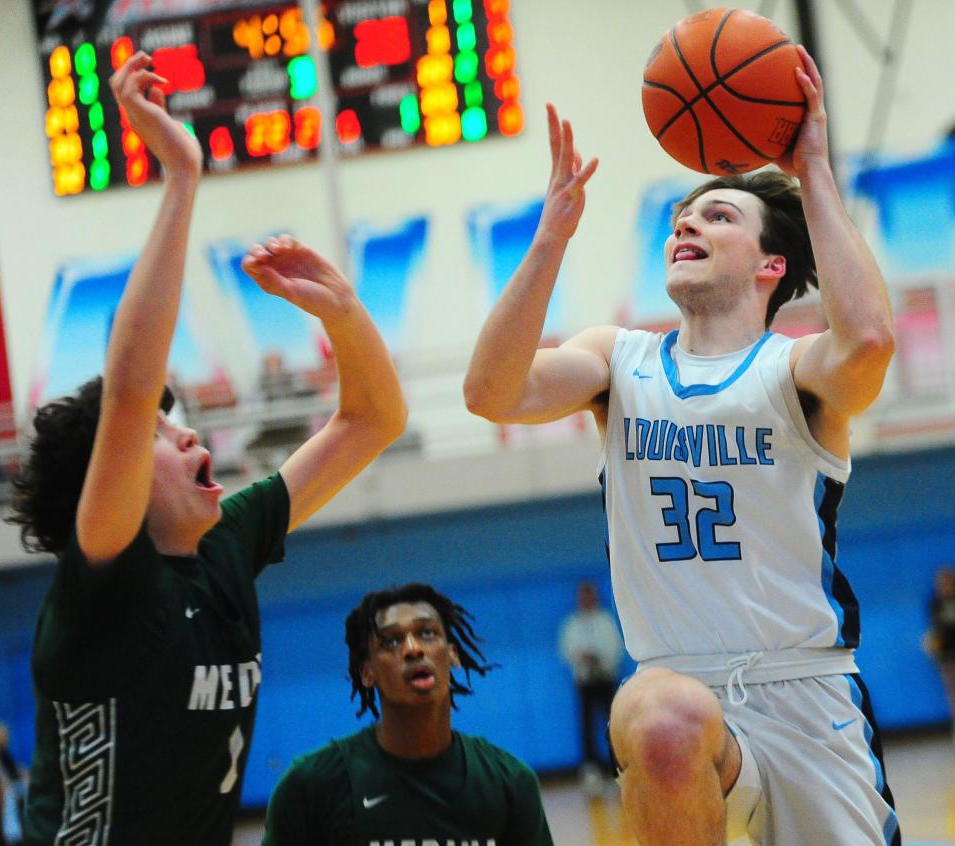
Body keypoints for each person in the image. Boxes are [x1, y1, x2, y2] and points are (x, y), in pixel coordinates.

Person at [464, 46, 900, 846]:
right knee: (657, 713)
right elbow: (491, 394)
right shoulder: (619, 360)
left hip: (804, 693)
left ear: (772, 265)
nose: (687, 223)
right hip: (677, 688)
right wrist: (550, 241)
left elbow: (869, 340)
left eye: (718, 215)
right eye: (680, 218)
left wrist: (814, 173)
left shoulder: (794, 368)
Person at [9, 52, 406, 846]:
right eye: (159, 432)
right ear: (109, 474)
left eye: (176, 419)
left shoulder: (222, 548)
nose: (186, 431)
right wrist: (182, 177)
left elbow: (372, 422)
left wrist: (346, 315)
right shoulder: (108, 586)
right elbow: (127, 388)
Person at [262, 583, 554, 845]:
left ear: (452, 654)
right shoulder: (310, 786)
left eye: (426, 633)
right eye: (390, 641)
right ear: (367, 672)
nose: (413, 649)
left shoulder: (509, 781)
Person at [558, 580, 624, 789]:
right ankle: (591, 772)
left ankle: (619, 766)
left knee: (613, 724)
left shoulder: (605, 620)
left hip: (605, 678)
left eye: (590, 595)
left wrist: (600, 658)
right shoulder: (572, 624)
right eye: (583, 595)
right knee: (586, 726)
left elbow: (616, 647)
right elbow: (567, 650)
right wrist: (582, 657)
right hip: (585, 681)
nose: (587, 599)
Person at [926, 564, 955, 739]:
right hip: (946, 655)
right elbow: (935, 630)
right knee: (952, 690)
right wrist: (931, 642)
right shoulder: (936, 603)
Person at [0, 723, 24, 846]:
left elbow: (18, 771)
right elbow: (1, 780)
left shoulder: (5, 754)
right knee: (9, 795)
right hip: (2, 791)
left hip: (12, 786)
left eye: (6, 735)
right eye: (1, 735)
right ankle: (13, 835)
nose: (5, 738)